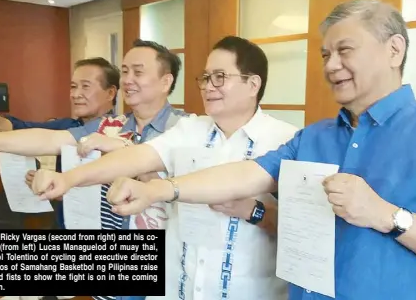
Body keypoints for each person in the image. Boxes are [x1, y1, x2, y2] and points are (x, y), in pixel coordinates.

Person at [102, 0, 416, 300]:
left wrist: (388, 216)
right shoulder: (313, 137)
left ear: (394, 50)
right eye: (326, 54)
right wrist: (158, 190)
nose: (330, 66)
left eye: (345, 51)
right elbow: (247, 174)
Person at [29, 36, 298, 300]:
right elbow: (138, 156)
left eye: (220, 77)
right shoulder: (191, 129)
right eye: (205, 78)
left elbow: (304, 233)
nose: (208, 87)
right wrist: (68, 179)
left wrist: (255, 211)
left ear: (252, 84)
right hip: (177, 288)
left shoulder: (286, 140)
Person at [0, 39, 185, 300]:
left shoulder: (187, 129)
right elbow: (46, 139)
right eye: (125, 70)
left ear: (166, 82)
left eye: (138, 72)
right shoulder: (110, 125)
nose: (128, 79)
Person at [0, 57, 119, 230]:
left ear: (110, 93)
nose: (75, 94)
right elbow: (19, 130)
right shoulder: (68, 127)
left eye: (85, 86)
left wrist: (65, 188)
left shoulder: (123, 134)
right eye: (73, 87)